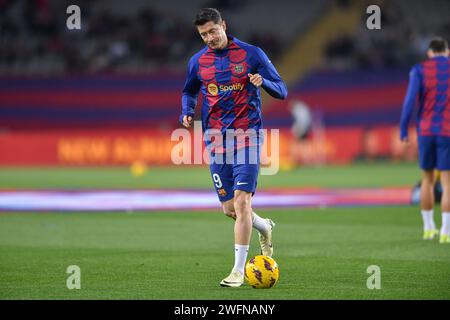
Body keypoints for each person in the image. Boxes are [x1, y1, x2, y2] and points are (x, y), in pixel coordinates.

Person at [180, 8, 288, 286]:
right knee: (230, 209)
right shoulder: (197, 62)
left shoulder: (252, 54)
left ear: (223, 26)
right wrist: (188, 111)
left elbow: (282, 89)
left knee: (242, 202)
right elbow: (189, 90)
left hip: (247, 136)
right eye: (203, 34)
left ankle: (238, 271)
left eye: (212, 31)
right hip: (215, 139)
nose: (209, 38)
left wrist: (263, 81)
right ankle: (264, 225)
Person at [399, 37, 450, 244]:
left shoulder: (419, 69)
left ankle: (429, 228)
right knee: (447, 183)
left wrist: (403, 127)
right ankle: (446, 231)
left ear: (429, 53)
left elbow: (410, 100)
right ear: (447, 52)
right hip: (447, 130)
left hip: (426, 131)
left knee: (427, 180)